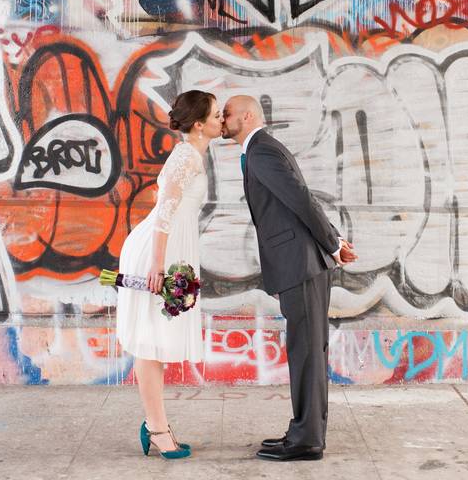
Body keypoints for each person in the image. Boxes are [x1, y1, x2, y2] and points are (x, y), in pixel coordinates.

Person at [221, 95, 357, 462]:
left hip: (301, 264)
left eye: (227, 113)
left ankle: (306, 440)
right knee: (307, 350)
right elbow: (301, 199)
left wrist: (332, 242)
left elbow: (300, 199)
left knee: (307, 351)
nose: (222, 118)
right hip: (300, 263)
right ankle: (305, 431)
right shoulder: (262, 149)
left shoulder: (263, 150)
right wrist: (335, 240)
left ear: (247, 116)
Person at [115, 89, 223, 460]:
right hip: (157, 252)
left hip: (172, 252)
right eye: (216, 116)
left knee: (157, 342)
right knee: (150, 343)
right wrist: (158, 265)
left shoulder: (194, 155)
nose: (221, 120)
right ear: (198, 124)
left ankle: (156, 426)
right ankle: (158, 430)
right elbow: (164, 213)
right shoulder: (184, 157)